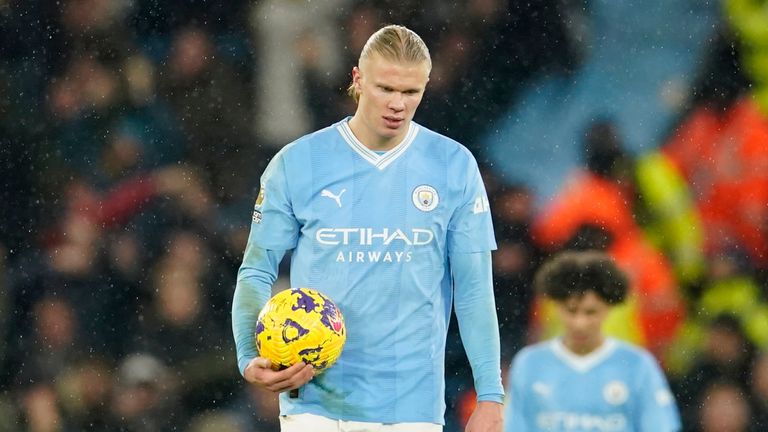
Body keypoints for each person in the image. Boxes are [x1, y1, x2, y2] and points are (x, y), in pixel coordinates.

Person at [232, 24, 504, 431]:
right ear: (358, 80)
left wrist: (490, 395)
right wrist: (247, 357)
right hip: (313, 402)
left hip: (411, 406)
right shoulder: (298, 163)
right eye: (385, 89)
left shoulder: (453, 166)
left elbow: (474, 288)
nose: (398, 103)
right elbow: (256, 270)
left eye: (411, 92)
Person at [504, 250, 681, 432]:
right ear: (556, 308)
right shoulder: (529, 364)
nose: (580, 323)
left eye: (591, 312)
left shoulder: (637, 365)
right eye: (571, 311)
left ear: (608, 308)